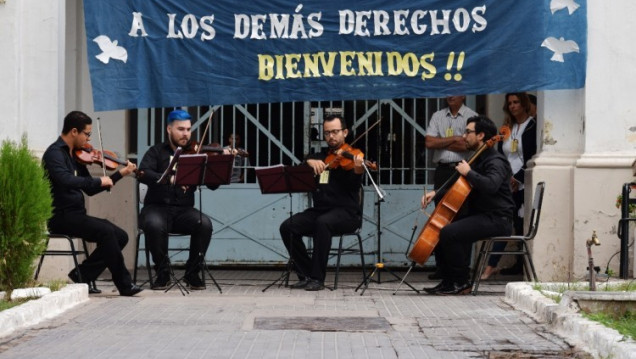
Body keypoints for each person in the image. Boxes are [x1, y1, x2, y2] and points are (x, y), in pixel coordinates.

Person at [42, 110, 142, 297]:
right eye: (87, 134)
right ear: (74, 131)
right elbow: (65, 180)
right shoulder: (53, 154)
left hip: (76, 215)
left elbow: (90, 189)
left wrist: (120, 174)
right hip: (60, 216)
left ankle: (81, 275)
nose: (88, 140)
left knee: (120, 236)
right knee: (106, 232)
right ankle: (125, 285)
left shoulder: (76, 156)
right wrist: (98, 181)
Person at [421, 115, 515, 295]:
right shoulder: (478, 159)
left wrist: (469, 173)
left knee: (450, 232)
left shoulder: (495, 161)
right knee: (444, 227)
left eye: (468, 132)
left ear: (481, 135)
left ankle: (461, 282)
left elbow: (491, 185)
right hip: (483, 215)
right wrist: (436, 193)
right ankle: (449, 280)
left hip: (497, 218)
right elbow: (459, 186)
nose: (463, 136)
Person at [138, 109, 228, 290]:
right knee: (154, 225)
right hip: (156, 207)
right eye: (180, 129)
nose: (185, 134)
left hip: (183, 211)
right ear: (169, 129)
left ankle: (192, 272)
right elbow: (143, 173)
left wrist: (219, 164)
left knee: (204, 224)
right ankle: (162, 273)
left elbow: (212, 185)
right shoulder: (156, 152)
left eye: (188, 129)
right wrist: (169, 177)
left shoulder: (197, 154)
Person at [279, 115, 364, 291]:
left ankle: (317, 278)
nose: (331, 136)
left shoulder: (353, 157)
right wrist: (309, 161)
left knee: (322, 223)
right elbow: (305, 161)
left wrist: (358, 170)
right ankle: (306, 273)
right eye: (327, 133)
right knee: (288, 226)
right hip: (321, 211)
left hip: (347, 213)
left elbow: (354, 186)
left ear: (345, 132)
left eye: (335, 132)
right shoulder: (320, 156)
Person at [481, 92, 537, 279]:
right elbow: (499, 156)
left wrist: (518, 178)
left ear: (524, 104)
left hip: (522, 185)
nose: (513, 106)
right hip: (505, 184)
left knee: (520, 225)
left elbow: (531, 156)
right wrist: (505, 177)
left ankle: (519, 267)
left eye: (516, 102)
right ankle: (490, 267)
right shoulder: (505, 129)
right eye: (510, 103)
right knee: (503, 223)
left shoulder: (532, 127)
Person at [424, 95, 478, 279]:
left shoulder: (472, 116)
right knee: (440, 218)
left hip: (463, 170)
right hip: (442, 171)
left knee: (463, 217)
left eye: (455, 92)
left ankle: (462, 267)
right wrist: (455, 139)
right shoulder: (437, 116)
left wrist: (443, 141)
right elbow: (429, 142)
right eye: (447, 91)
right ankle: (442, 267)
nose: (450, 96)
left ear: (464, 95)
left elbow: (470, 146)